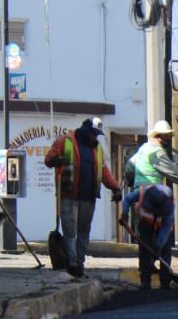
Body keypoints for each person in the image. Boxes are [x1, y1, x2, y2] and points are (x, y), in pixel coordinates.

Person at [43, 118, 121, 278]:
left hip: (88, 198)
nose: (95, 137)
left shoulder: (97, 149)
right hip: (68, 196)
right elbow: (48, 160)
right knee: (70, 233)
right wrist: (56, 160)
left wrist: (115, 187)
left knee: (84, 233)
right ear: (85, 130)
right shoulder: (65, 141)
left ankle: (80, 264)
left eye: (97, 134)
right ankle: (72, 266)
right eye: (93, 133)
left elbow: (103, 171)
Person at [124, 120, 178, 289]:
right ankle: (164, 279)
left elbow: (128, 168)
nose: (168, 140)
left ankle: (146, 281)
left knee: (145, 242)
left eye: (169, 137)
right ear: (158, 137)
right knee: (165, 242)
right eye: (166, 137)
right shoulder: (157, 152)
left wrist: (134, 185)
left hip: (142, 196)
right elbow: (171, 172)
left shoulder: (142, 149)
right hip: (156, 197)